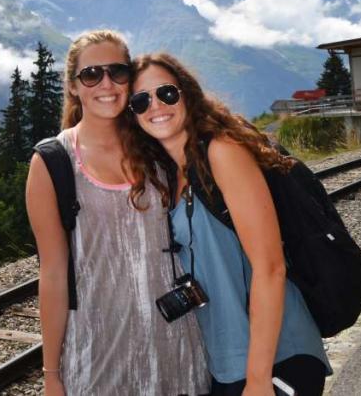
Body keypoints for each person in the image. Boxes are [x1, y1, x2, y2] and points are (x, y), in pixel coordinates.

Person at [129, 53, 331, 396]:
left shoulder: (222, 152)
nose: (155, 106)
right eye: (140, 100)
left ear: (187, 95)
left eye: (166, 93)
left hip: (276, 358)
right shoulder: (171, 174)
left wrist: (257, 379)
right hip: (226, 363)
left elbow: (271, 268)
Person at [26, 30, 210, 395]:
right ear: (74, 87)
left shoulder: (156, 143)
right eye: (91, 74)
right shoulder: (53, 162)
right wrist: (51, 373)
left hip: (178, 349)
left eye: (117, 72)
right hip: (98, 358)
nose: (106, 83)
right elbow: (53, 274)